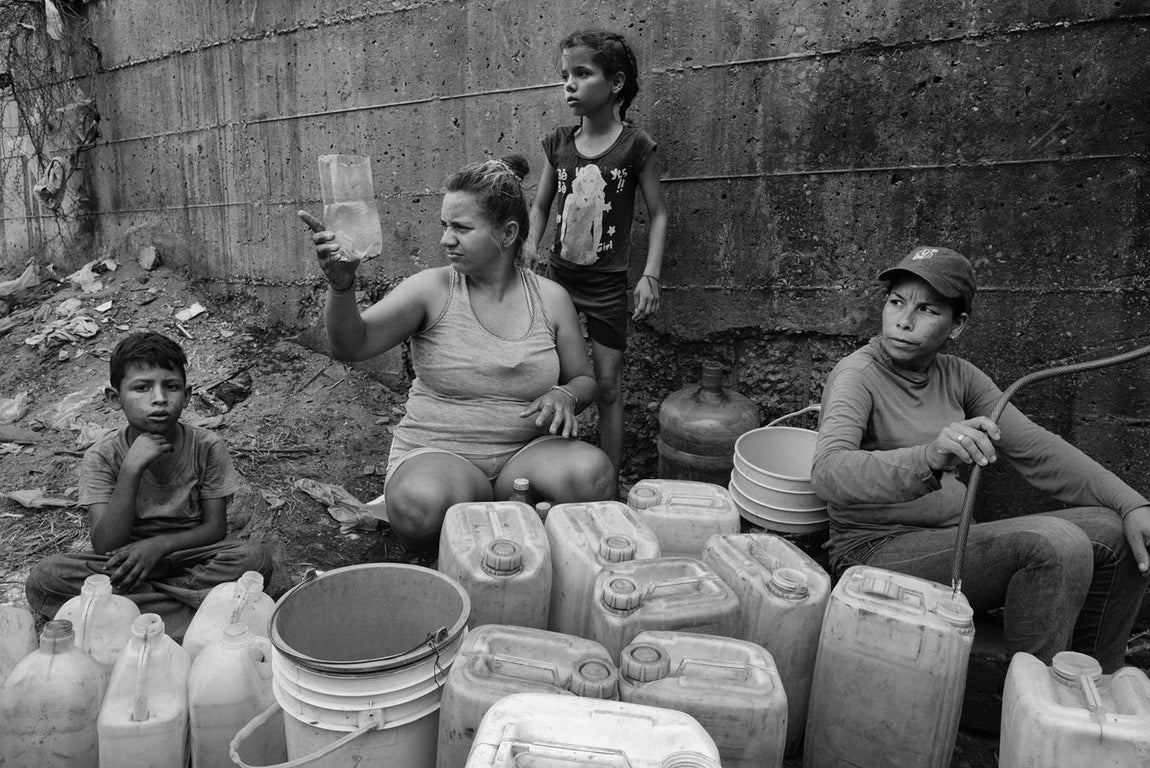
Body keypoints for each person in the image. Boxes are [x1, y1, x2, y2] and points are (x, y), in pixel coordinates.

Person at [811, 245, 1150, 672]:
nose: (903, 320)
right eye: (896, 302)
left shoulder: (960, 376)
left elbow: (1038, 449)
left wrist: (1132, 501)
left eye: (927, 310)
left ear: (957, 326)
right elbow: (827, 472)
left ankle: (1096, 692)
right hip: (874, 551)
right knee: (1053, 544)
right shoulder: (857, 375)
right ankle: (1032, 706)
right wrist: (929, 456)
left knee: (1121, 532)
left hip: (952, 543)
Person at [299, 154, 616, 549]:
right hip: (440, 453)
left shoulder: (550, 299)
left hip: (527, 452)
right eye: (445, 226)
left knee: (595, 476)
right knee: (418, 507)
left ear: (507, 233)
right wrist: (342, 287)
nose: (446, 239)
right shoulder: (431, 290)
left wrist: (565, 394)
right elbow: (351, 345)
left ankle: (492, 514)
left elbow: (585, 380)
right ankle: (504, 514)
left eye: (462, 228)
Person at [25, 332, 273, 640]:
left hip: (189, 556)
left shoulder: (207, 445)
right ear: (115, 398)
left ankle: (128, 615)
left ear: (186, 394)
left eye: (171, 386)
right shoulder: (102, 455)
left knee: (253, 558)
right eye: (142, 387)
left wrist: (159, 546)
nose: (159, 398)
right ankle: (198, 615)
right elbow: (105, 544)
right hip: (126, 564)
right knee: (45, 578)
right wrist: (131, 469)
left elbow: (215, 527)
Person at [526, 29, 669, 474]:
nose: (569, 84)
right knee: (554, 380)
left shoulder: (635, 146)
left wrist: (650, 275)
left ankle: (607, 481)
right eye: (564, 74)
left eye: (582, 73)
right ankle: (548, 469)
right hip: (559, 284)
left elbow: (659, 214)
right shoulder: (558, 144)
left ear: (616, 84)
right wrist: (530, 243)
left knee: (607, 386)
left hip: (608, 286)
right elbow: (541, 204)